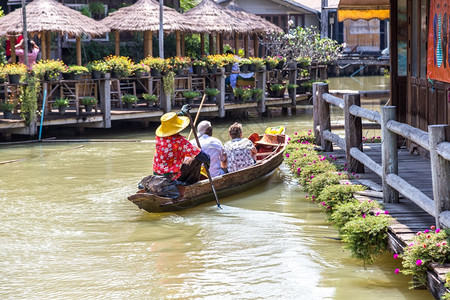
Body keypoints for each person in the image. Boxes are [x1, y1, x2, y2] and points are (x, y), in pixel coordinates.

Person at [153, 111, 210, 185]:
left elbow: (170, 122)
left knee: (189, 159)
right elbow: (202, 156)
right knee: (197, 159)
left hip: (158, 174)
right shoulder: (180, 142)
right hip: (172, 177)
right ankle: (189, 184)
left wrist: (182, 113)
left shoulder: (159, 138)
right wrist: (208, 162)